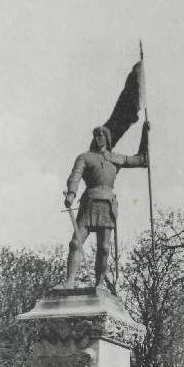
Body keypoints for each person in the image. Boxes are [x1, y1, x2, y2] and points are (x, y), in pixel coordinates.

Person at [62, 123, 149, 288]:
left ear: (107, 138)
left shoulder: (116, 158)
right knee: (75, 243)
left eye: (101, 135)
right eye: (96, 135)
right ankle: (69, 281)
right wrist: (71, 193)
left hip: (107, 205)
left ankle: (100, 284)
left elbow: (142, 160)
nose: (98, 138)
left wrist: (145, 133)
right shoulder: (85, 157)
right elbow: (75, 176)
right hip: (89, 203)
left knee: (104, 248)